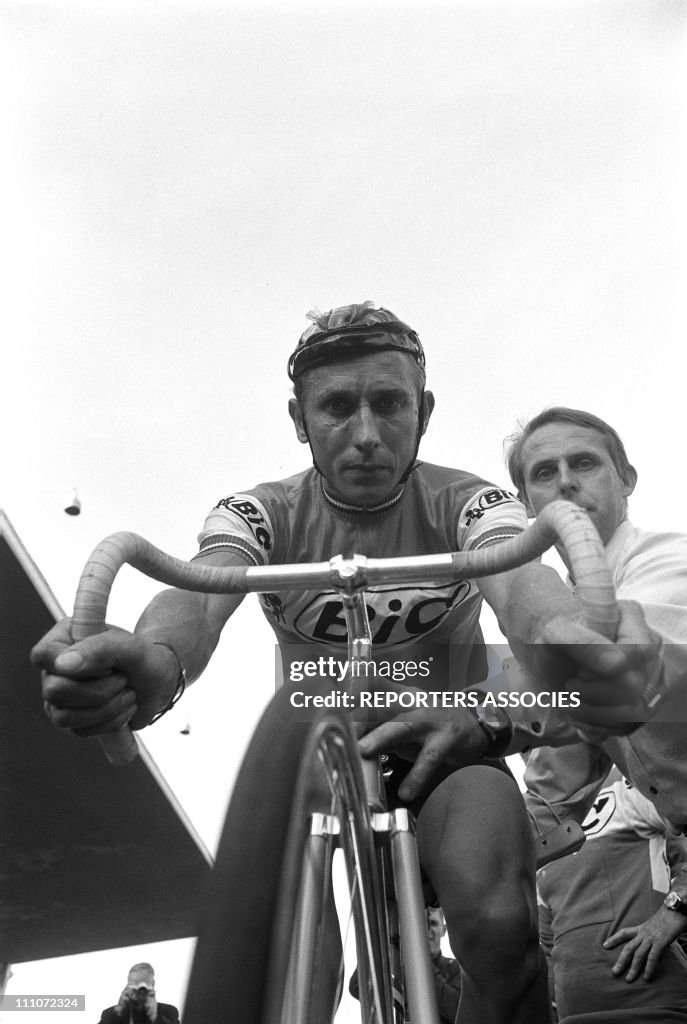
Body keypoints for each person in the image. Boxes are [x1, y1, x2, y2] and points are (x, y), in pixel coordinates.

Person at [33, 305, 654, 1024]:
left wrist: (571, 640)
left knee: (500, 929)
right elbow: (200, 596)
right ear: (299, 419)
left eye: (388, 404)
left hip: (444, 738)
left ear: (421, 411)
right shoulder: (261, 510)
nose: (364, 435)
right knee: (294, 950)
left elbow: (523, 591)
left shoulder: (469, 499)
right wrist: (158, 660)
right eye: (335, 407)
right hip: (315, 746)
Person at [503, 407, 687, 834]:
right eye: (545, 473)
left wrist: (472, 712)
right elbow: (554, 797)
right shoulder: (567, 610)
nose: (566, 481)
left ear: (626, 480)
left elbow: (615, 661)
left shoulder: (672, 561)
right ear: (527, 504)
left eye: (584, 463)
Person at [530, 767, 687, 1021]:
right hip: (574, 1015)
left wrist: (676, 909)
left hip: (650, 1006)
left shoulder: (626, 779)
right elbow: (549, 947)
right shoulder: (532, 823)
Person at [97, 963, 179, 1024]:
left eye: (142, 986)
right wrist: (118, 1012)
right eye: (133, 986)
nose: (139, 991)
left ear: (153, 984)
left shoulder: (168, 1013)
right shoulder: (109, 1015)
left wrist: (155, 1017)